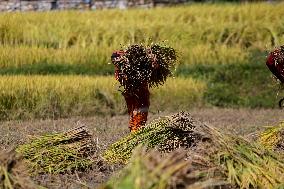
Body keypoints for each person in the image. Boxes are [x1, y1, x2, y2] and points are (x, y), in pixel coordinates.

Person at [111, 50, 150, 132]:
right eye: (115, 62)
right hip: (132, 98)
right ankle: (135, 135)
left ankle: (136, 136)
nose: (116, 63)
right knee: (133, 120)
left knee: (138, 121)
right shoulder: (119, 72)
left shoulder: (139, 68)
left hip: (141, 97)